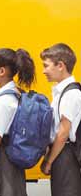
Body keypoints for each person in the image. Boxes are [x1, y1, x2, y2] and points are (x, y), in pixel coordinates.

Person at [0, 48, 35, 196]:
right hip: (9, 156)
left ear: (2, 71)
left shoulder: (4, 100)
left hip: (0, 159)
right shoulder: (14, 93)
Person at [40, 43, 81, 196]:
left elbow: (63, 132)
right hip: (62, 153)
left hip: (65, 154)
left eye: (46, 66)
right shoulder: (62, 92)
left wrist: (49, 160)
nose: (44, 71)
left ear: (60, 66)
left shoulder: (71, 94)